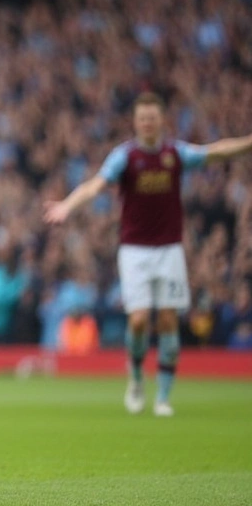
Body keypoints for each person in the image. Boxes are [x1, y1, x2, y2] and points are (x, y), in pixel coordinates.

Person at [44, 91, 252, 416]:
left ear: (161, 120)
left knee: (168, 319)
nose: (148, 124)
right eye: (142, 119)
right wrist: (67, 205)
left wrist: (248, 143)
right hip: (134, 249)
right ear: (135, 122)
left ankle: (164, 397)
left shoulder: (175, 153)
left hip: (169, 248)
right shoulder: (124, 157)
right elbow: (96, 185)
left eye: (152, 118)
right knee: (139, 320)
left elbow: (215, 152)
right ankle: (137, 377)